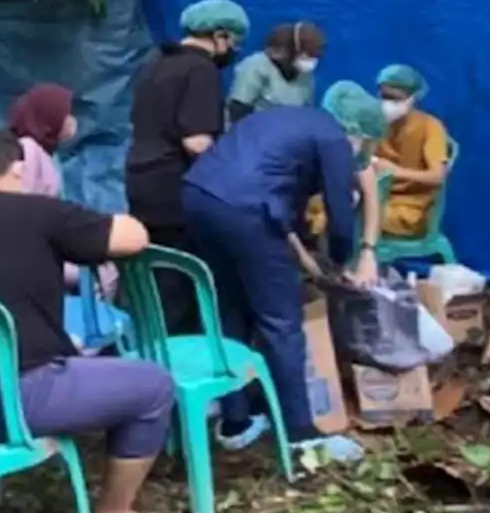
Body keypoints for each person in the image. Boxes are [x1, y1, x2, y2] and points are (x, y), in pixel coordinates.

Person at [0, 128, 186, 513]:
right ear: (19, 169)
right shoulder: (40, 213)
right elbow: (134, 237)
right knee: (153, 385)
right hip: (15, 402)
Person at [180, 81, 385, 459]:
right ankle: (302, 435)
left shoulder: (289, 119)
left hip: (198, 197)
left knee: (231, 308)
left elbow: (277, 197)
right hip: (244, 212)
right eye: (366, 145)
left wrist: (304, 255)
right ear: (357, 132)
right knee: (282, 322)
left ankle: (235, 421)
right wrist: (341, 264)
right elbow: (341, 217)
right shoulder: (335, 140)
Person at [125, 0, 249, 334]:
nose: (232, 50)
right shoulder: (200, 69)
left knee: (158, 275)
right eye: (233, 42)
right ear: (219, 36)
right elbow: (196, 141)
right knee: (185, 281)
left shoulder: (156, 64)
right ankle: (184, 366)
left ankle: (151, 352)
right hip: (174, 190)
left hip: (140, 182)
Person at [8, 83, 117, 299]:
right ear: (47, 120)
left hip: (45, 243)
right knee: (102, 274)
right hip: (33, 251)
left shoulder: (46, 153)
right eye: (65, 115)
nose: (71, 122)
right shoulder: (28, 151)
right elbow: (22, 209)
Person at [372, 64, 450, 238]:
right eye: (384, 96)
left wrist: (396, 172)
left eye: (395, 98)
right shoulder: (375, 124)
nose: (387, 103)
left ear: (412, 98)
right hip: (375, 196)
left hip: (409, 208)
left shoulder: (430, 127)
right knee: (319, 207)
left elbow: (437, 176)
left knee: (351, 216)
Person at [227, 21, 326, 123]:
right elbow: (237, 110)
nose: (311, 62)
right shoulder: (256, 66)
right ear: (292, 51)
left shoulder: (305, 76)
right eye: (307, 56)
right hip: (254, 132)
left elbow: (306, 112)